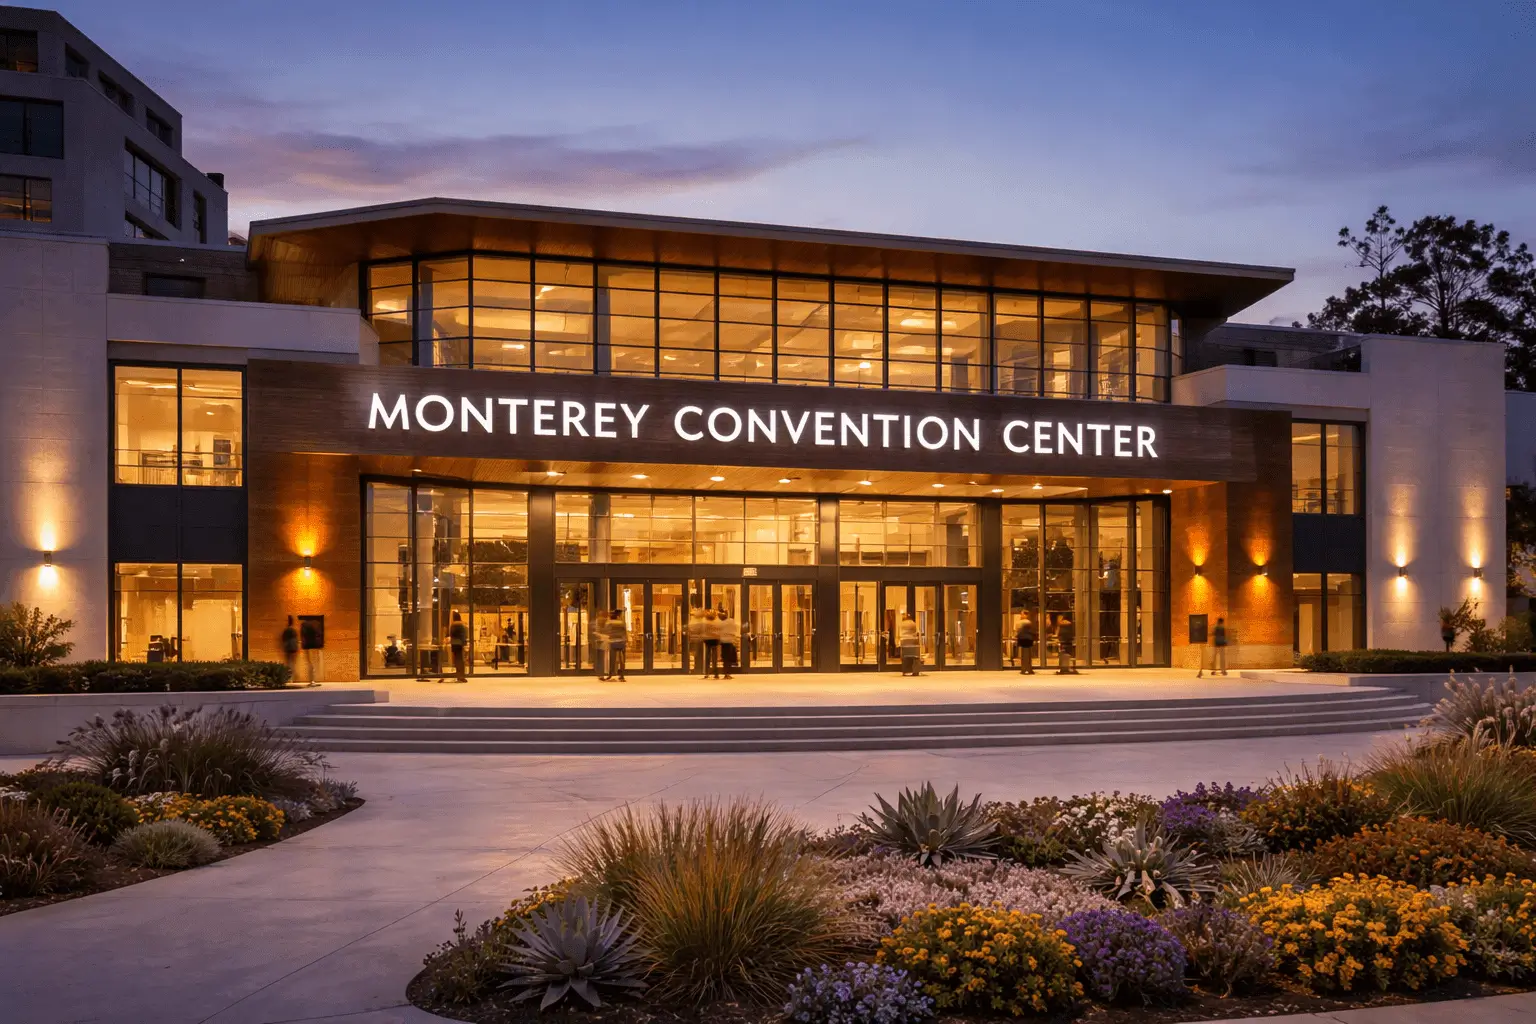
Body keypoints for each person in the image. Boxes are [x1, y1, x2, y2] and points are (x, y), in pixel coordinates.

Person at [605, 608, 628, 681]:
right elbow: (625, 632)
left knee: (612, 659)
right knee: (622, 660)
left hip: (613, 642)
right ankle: (622, 675)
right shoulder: (622, 622)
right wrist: (625, 640)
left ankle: (610, 675)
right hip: (621, 642)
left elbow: (607, 632)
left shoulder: (609, 623)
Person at [298, 616, 321, 684]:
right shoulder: (315, 624)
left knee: (310, 663)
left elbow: (302, 636)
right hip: (314, 645)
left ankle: (311, 680)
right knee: (314, 662)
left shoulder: (304, 625)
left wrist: (303, 644)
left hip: (307, 646)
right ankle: (313, 680)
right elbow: (318, 634)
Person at [447, 611, 468, 683]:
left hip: (454, 644)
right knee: (461, 660)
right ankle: (461, 676)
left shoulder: (452, 625)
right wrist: (464, 643)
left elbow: (451, 634)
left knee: (457, 660)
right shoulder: (461, 625)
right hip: (459, 644)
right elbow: (463, 635)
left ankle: (458, 675)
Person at [718, 609, 739, 680]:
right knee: (728, 658)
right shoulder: (731, 621)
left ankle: (726, 673)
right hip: (730, 641)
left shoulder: (721, 623)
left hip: (723, 642)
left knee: (725, 658)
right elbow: (735, 629)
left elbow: (719, 632)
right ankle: (727, 673)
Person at [701, 608, 722, 679]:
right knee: (714, 658)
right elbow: (719, 631)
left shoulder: (705, 622)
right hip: (715, 641)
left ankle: (707, 673)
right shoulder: (717, 621)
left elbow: (703, 631)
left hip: (708, 641)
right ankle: (716, 673)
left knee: (707, 657)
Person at [280, 616, 300, 682]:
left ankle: (289, 678)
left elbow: (283, 640)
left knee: (288, 663)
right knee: (293, 663)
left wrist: (283, 647)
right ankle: (293, 677)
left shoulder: (286, 630)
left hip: (288, 648)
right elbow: (296, 640)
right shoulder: (294, 630)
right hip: (293, 648)